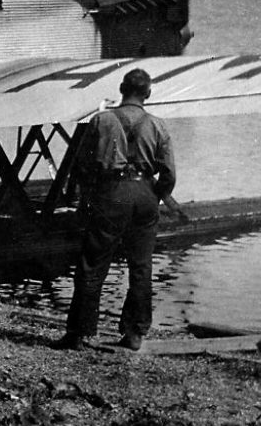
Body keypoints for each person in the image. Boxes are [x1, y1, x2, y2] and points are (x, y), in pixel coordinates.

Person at [56, 68, 188, 353]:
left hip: (110, 194)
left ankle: (79, 334)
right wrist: (157, 193)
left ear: (120, 88)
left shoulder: (101, 120)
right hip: (145, 195)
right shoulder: (158, 125)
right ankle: (134, 333)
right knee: (141, 266)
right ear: (148, 93)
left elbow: (81, 166)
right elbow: (169, 174)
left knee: (93, 264)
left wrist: (90, 196)